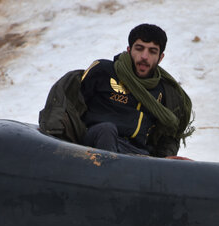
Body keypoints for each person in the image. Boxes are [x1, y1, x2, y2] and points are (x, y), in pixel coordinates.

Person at [39, 24, 194, 158]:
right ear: (129, 50)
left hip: (137, 152)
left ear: (160, 58)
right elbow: (71, 102)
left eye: (152, 51)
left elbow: (168, 136)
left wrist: (164, 160)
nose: (144, 56)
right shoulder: (104, 71)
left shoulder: (165, 92)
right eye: (139, 49)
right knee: (107, 130)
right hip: (93, 142)